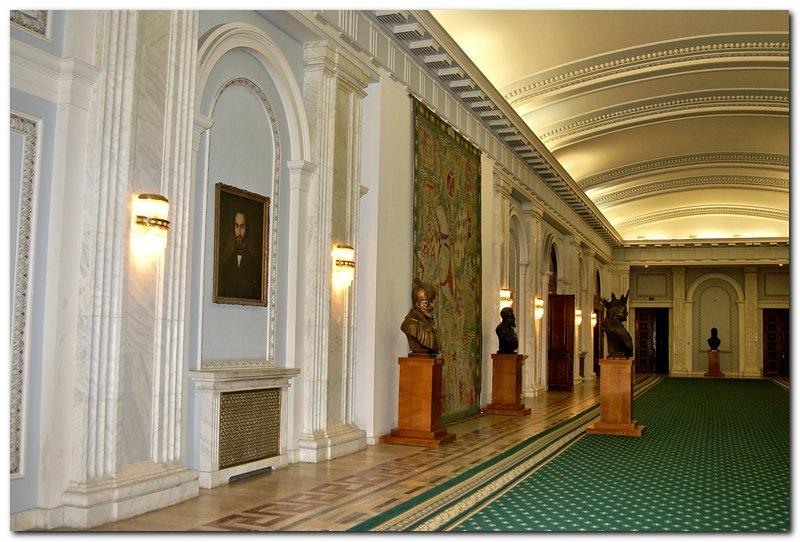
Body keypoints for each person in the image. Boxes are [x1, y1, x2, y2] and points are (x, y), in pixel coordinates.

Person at [218, 210, 261, 300]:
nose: (239, 232)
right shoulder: (227, 265)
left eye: (242, 227)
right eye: (236, 226)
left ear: (247, 230)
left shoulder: (255, 266)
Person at [401, 279, 440, 356]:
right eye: (426, 303)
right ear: (417, 304)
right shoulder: (410, 325)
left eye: (431, 302)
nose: (431, 307)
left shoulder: (428, 323)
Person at [600, 291, 633, 358]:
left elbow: (629, 348)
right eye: (624, 310)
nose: (627, 313)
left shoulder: (619, 328)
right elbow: (628, 347)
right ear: (616, 311)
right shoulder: (610, 329)